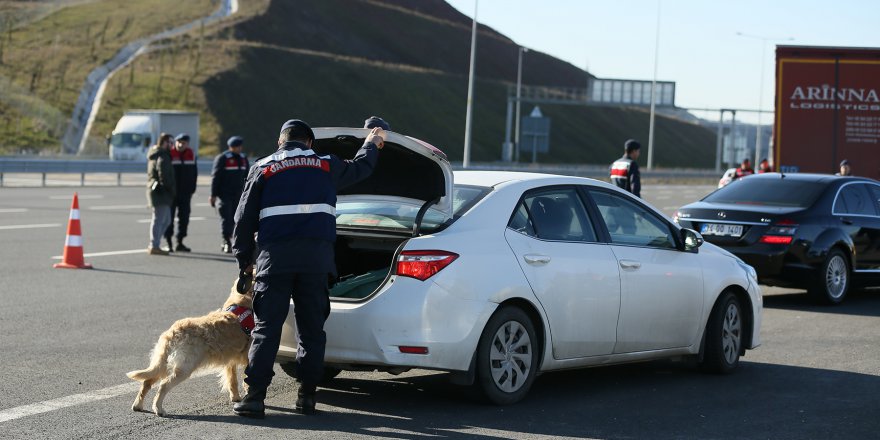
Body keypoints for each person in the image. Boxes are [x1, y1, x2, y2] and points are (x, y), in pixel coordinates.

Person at [231, 119, 385, 418]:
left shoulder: (263, 167)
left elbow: (243, 218)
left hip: (274, 261)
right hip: (316, 262)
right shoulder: (326, 164)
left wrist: (243, 260)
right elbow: (360, 168)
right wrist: (373, 142)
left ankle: (254, 398)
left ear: (280, 141)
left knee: (266, 329)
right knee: (311, 331)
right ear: (310, 143)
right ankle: (307, 398)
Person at [211, 136, 250, 253]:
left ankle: (234, 240)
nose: (239, 149)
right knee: (226, 218)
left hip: (239, 194)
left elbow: (248, 176)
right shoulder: (222, 158)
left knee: (236, 218)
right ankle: (226, 240)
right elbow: (215, 177)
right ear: (231, 147)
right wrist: (213, 195)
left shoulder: (243, 158)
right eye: (236, 147)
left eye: (239, 146)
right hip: (225, 194)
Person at [164, 133, 198, 252]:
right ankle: (168, 242)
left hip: (185, 193)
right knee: (169, 218)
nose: (181, 144)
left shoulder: (191, 154)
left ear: (187, 144)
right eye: (179, 142)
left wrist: (192, 188)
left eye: (183, 143)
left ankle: (180, 241)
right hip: (172, 193)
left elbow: (194, 173)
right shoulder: (170, 153)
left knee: (184, 218)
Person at [145, 133, 176, 256]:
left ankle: (155, 243)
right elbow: (164, 176)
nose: (172, 145)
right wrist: (171, 189)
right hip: (160, 192)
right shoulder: (162, 156)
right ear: (164, 143)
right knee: (159, 219)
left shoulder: (157, 154)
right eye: (170, 142)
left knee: (166, 220)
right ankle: (154, 245)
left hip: (159, 191)